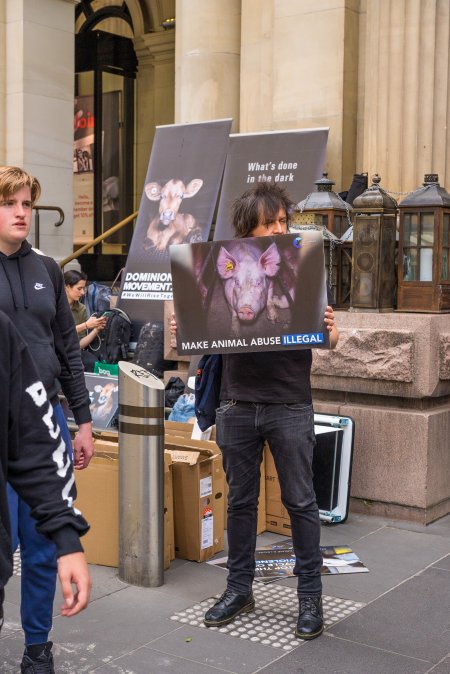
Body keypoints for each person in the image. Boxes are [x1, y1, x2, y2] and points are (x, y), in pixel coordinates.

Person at [171, 182, 339, 640]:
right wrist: (183, 325)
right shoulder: (223, 277)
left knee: (301, 502)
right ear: (247, 232)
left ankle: (310, 597)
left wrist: (329, 330)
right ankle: (238, 588)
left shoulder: (300, 272)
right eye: (271, 223)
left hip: (289, 403)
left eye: (284, 222)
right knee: (241, 502)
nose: (280, 229)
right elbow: (197, 338)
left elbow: (328, 340)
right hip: (237, 404)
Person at [0, 165, 95, 673]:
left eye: (26, 204)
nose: (20, 212)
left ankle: (38, 647)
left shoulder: (49, 270)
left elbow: (67, 349)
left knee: (44, 544)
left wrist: (81, 422)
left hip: (49, 424)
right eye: (9, 203)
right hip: (1, 429)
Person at [0, 310, 91, 655]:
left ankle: (37, 647)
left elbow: (35, 447)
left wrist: (66, 538)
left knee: (39, 551)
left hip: (40, 408)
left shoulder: (3, 332)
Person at [64, 269, 107, 370]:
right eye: (79, 288)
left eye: (84, 289)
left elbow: (79, 345)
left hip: (73, 351)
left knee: (93, 363)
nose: (83, 292)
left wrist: (96, 329)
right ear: (67, 287)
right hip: (56, 351)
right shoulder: (55, 306)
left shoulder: (81, 308)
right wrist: (86, 325)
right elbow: (60, 333)